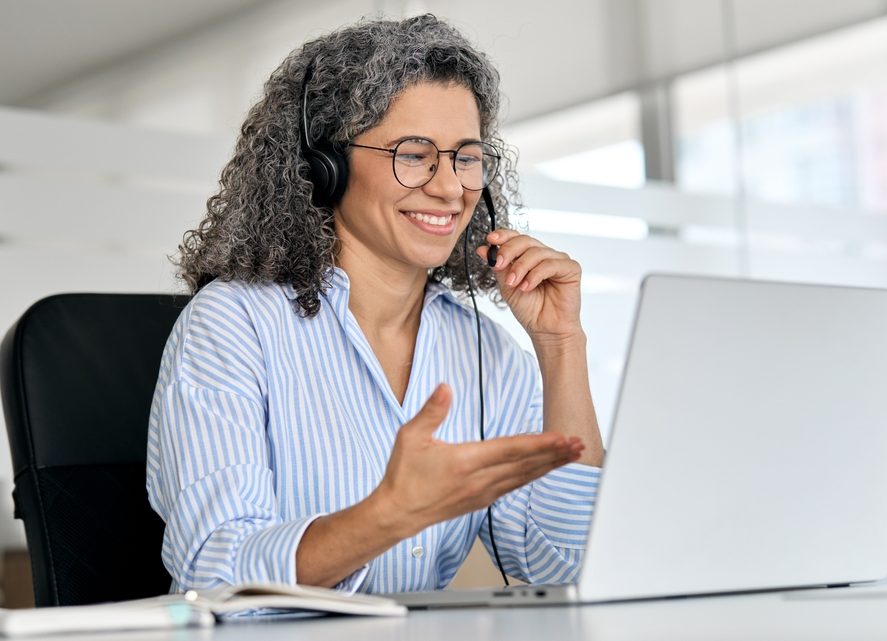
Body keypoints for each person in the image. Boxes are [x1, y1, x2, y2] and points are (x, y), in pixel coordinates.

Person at [146, 14, 603, 594]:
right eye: (414, 155)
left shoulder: (484, 350)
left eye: (466, 157)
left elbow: (564, 570)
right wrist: (387, 515)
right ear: (325, 168)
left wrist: (561, 346)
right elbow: (214, 571)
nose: (450, 187)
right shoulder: (233, 324)